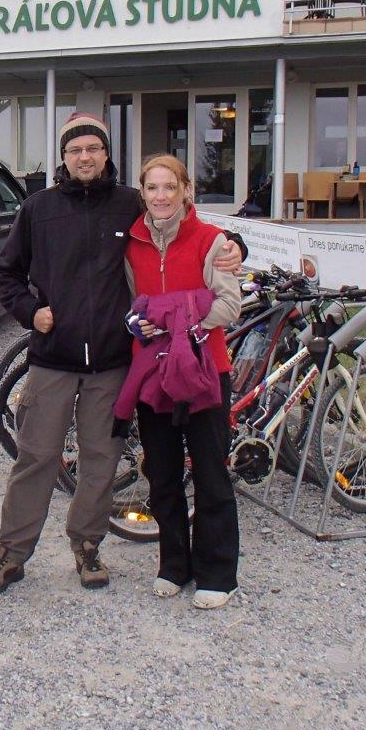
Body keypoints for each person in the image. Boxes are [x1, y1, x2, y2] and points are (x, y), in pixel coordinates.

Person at [0, 113, 243, 595]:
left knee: (100, 459)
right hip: (53, 358)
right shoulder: (38, 209)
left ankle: (87, 545)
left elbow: (179, 224)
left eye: (93, 149)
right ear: (63, 157)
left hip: (113, 363)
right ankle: (10, 554)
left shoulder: (128, 205)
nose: (85, 157)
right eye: (75, 150)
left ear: (106, 154)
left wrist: (235, 246)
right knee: (36, 457)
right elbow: (7, 273)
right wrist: (31, 312)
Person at [126, 154, 242, 609]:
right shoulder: (132, 242)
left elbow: (229, 305)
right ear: (143, 192)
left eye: (170, 187)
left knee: (211, 472)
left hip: (204, 371)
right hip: (154, 374)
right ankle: (174, 564)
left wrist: (178, 322)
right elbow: (131, 303)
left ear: (185, 190)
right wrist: (137, 322)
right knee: (162, 474)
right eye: (152, 188)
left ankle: (218, 573)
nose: (161, 196)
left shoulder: (211, 240)